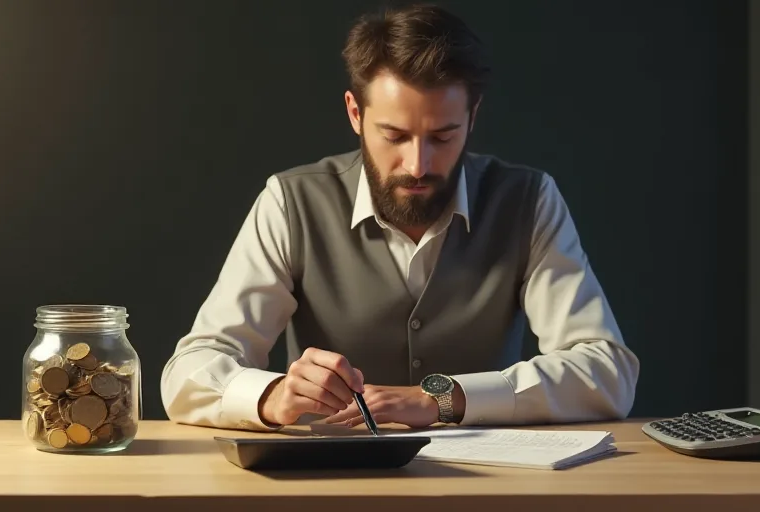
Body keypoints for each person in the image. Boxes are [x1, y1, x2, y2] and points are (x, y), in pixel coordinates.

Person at [160, 3, 639, 432]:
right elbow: (190, 370)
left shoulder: (529, 200)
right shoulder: (290, 201)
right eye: (394, 136)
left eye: (443, 137)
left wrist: (443, 399)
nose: (418, 165)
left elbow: (606, 372)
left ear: (473, 117)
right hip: (331, 490)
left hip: (491, 492)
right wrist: (270, 395)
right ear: (355, 113)